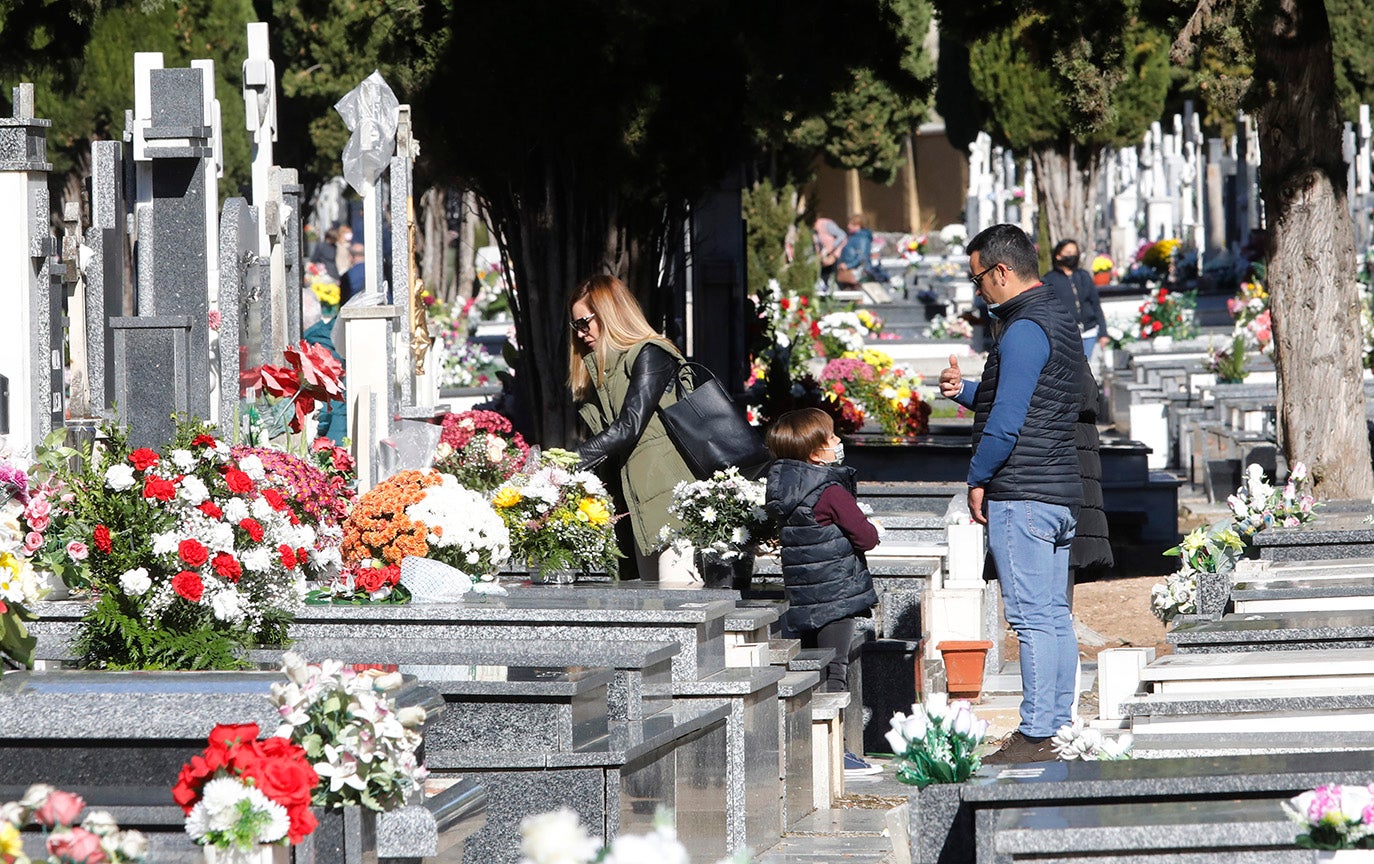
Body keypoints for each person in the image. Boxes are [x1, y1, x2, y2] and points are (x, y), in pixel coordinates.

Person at [938, 224, 1084, 764]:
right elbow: (1036, 398)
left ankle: (1039, 732)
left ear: (1001, 271)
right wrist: (965, 394)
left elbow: (1007, 423)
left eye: (978, 280)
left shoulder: (1022, 329)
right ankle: (1060, 726)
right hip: (1057, 490)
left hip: (1023, 492)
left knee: (1030, 618)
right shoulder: (1056, 319)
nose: (979, 291)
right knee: (1051, 615)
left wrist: (977, 478)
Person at [763, 407, 881, 778]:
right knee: (834, 670)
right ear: (816, 452)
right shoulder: (828, 489)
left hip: (804, 593)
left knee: (811, 667)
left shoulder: (784, 486)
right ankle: (833, 753)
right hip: (836, 592)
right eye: (831, 438)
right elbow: (867, 537)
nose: (838, 442)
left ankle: (808, 749)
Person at [570, 274, 697, 582]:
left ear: (609, 313)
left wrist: (568, 463)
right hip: (638, 501)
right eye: (575, 326)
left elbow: (629, 425)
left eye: (585, 322)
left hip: (670, 495)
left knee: (679, 607)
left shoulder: (651, 353)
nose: (580, 333)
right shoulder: (604, 371)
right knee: (653, 609)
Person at [1041, 239, 1109, 359]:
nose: (1072, 256)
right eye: (1068, 252)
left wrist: (1103, 332)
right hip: (1064, 334)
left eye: (1074, 252)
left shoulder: (1084, 276)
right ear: (1058, 256)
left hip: (1089, 331)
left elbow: (1096, 305)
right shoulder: (1049, 279)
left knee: (1087, 367)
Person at [813, 215, 848, 289]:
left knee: (835, 278)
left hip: (835, 255)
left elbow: (842, 235)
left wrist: (832, 248)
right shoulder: (812, 229)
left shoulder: (826, 224)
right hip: (824, 256)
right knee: (824, 278)